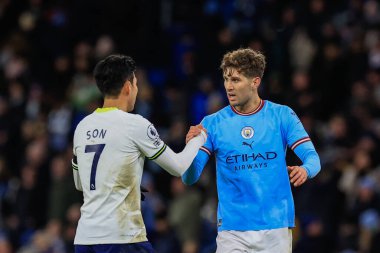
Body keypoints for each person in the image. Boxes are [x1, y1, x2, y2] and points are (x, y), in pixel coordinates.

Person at [182, 48, 321, 253]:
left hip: (275, 227)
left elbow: (313, 159)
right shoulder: (211, 124)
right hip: (233, 231)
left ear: (255, 82)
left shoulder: (282, 115)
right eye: (226, 79)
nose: (229, 86)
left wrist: (305, 170)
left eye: (236, 80)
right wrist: (190, 150)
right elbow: (189, 178)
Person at [71, 54, 206, 253]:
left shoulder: (82, 127)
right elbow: (178, 167)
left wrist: (122, 179)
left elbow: (80, 183)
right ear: (127, 87)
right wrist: (200, 138)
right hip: (121, 237)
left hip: (84, 239)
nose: (136, 89)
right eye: (135, 83)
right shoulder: (135, 125)